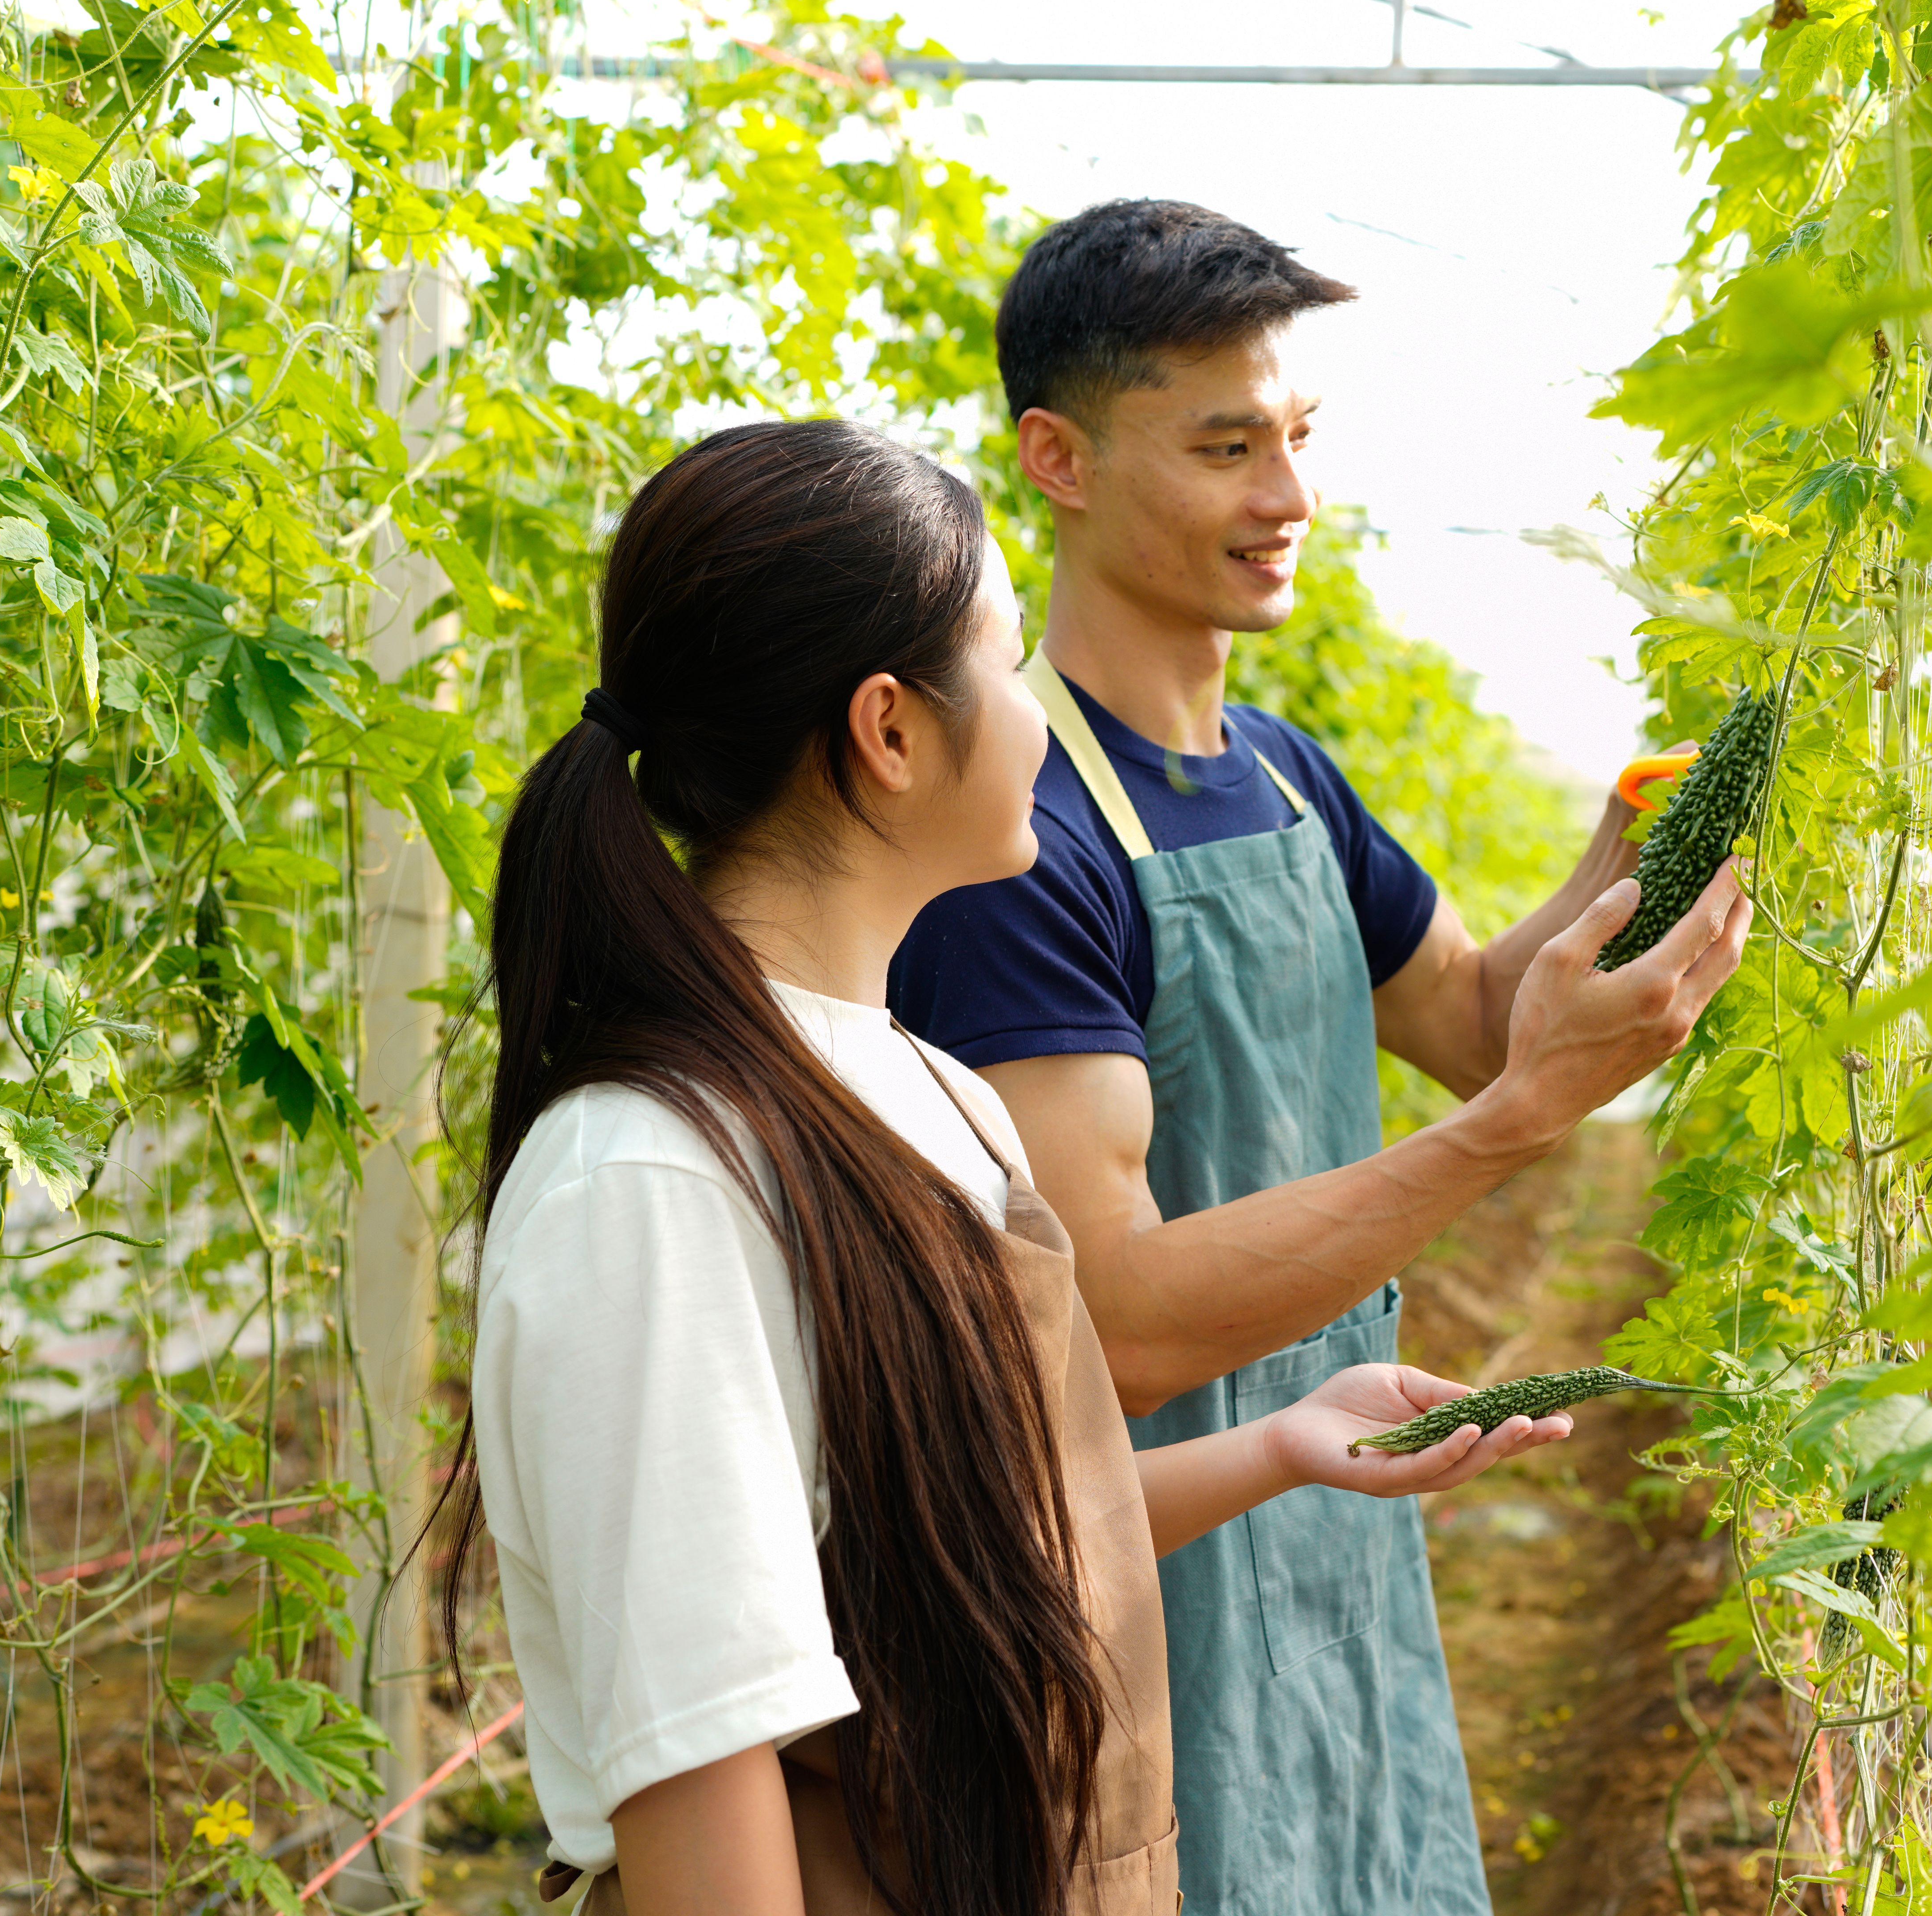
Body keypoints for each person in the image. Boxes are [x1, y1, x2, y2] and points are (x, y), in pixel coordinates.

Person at [437, 420, 1577, 1916]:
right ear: (892, 732)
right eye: (1005, 658)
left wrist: (1284, 1444)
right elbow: (706, 1776)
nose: (1042, 714)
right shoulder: (652, 1181)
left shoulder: (934, 1093)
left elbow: (974, 1552)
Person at [888, 202, 1754, 1915]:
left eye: (1297, 437)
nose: (1288, 495)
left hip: (1333, 1504)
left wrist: (1634, 847)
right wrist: (1518, 1126)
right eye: (1227, 449)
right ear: (1056, 459)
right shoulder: (1022, 836)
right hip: (1137, 1562)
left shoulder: (1288, 776)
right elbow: (1115, 1327)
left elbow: (1475, 1020)